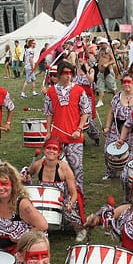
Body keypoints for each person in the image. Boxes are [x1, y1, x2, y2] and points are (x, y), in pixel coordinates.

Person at [21, 138, 87, 241]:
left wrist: (70, 203)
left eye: (54, 149)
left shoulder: (64, 168)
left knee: (68, 212)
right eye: (48, 148)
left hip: (62, 198)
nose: (51, 151)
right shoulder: (38, 165)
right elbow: (27, 176)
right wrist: (25, 177)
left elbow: (73, 193)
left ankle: (80, 230)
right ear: (44, 150)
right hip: (42, 197)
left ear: (59, 153)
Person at [43, 61, 91, 194]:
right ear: (59, 74)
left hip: (75, 138)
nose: (68, 76)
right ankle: (61, 195)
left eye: (70, 73)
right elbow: (48, 113)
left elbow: (85, 112)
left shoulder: (79, 90)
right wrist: (48, 132)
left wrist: (79, 129)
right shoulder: (51, 92)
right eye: (65, 73)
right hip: (57, 139)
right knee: (58, 169)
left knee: (77, 168)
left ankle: (78, 197)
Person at [103, 74, 133, 180]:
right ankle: (110, 172)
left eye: (129, 82)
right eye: (124, 82)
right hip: (117, 127)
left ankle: (131, 173)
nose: (126, 84)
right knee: (109, 149)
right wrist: (107, 127)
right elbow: (111, 112)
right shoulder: (117, 96)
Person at [95, 38, 117, 108]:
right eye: (100, 43)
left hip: (108, 71)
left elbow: (113, 60)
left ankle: (116, 99)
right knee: (100, 86)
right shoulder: (100, 51)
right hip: (100, 71)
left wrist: (107, 64)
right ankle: (100, 101)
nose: (101, 45)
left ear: (106, 44)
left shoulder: (109, 50)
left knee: (112, 86)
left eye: (102, 43)